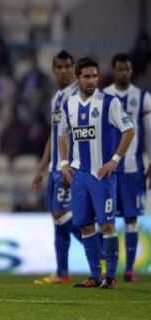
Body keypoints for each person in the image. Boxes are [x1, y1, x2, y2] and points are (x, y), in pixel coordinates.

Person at [58, 57, 135, 289]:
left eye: (94, 76)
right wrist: (64, 162)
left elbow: (128, 130)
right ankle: (95, 276)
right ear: (77, 78)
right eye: (86, 76)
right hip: (79, 175)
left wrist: (114, 160)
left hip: (102, 175)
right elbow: (62, 134)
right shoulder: (68, 103)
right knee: (85, 226)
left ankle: (110, 277)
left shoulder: (109, 103)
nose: (92, 80)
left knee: (108, 225)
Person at [32, 50, 82, 285]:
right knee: (57, 218)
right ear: (53, 70)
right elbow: (53, 137)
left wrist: (68, 165)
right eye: (59, 67)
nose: (63, 70)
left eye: (67, 66)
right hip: (53, 167)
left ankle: (99, 250)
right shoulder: (56, 98)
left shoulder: (77, 95)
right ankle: (62, 272)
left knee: (61, 213)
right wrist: (41, 169)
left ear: (73, 69)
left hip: (67, 166)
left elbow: (77, 135)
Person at [103, 53, 151, 282]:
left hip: (133, 169)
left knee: (132, 218)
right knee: (106, 219)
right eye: (120, 69)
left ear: (131, 71)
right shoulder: (103, 97)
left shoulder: (142, 97)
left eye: (127, 69)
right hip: (109, 168)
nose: (124, 73)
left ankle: (129, 269)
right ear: (113, 70)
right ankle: (108, 268)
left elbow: (149, 131)